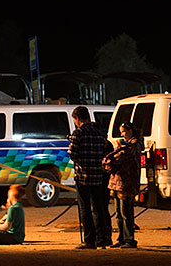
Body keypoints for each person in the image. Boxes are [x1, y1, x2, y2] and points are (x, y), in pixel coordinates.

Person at [69, 106, 112, 249]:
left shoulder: (78, 133)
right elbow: (102, 152)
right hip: (97, 176)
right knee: (98, 208)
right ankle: (102, 239)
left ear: (77, 118)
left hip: (83, 176)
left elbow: (72, 154)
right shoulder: (98, 133)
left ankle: (89, 240)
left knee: (85, 208)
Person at [105, 122, 144, 248]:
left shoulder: (134, 145)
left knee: (126, 212)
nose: (122, 134)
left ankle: (129, 239)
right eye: (121, 132)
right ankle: (121, 238)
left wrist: (108, 160)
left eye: (124, 131)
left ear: (131, 131)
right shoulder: (124, 145)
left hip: (126, 182)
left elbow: (120, 158)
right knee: (118, 213)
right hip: (117, 182)